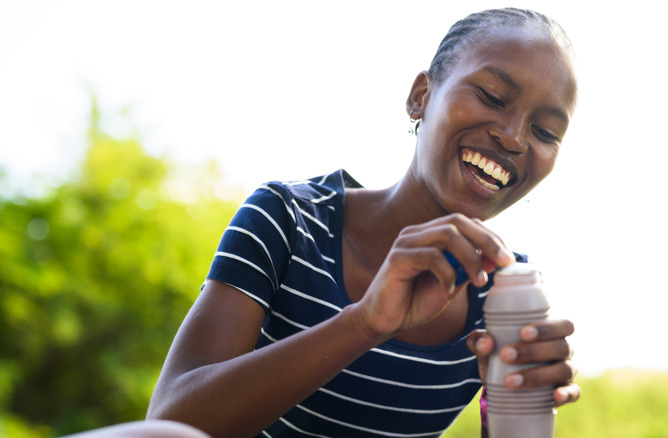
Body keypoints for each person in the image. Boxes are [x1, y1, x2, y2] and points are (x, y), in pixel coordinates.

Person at [147, 7, 580, 438]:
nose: (514, 137)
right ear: (420, 96)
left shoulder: (503, 294)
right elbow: (166, 427)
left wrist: (509, 411)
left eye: (545, 131)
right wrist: (365, 322)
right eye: (491, 96)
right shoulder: (290, 220)